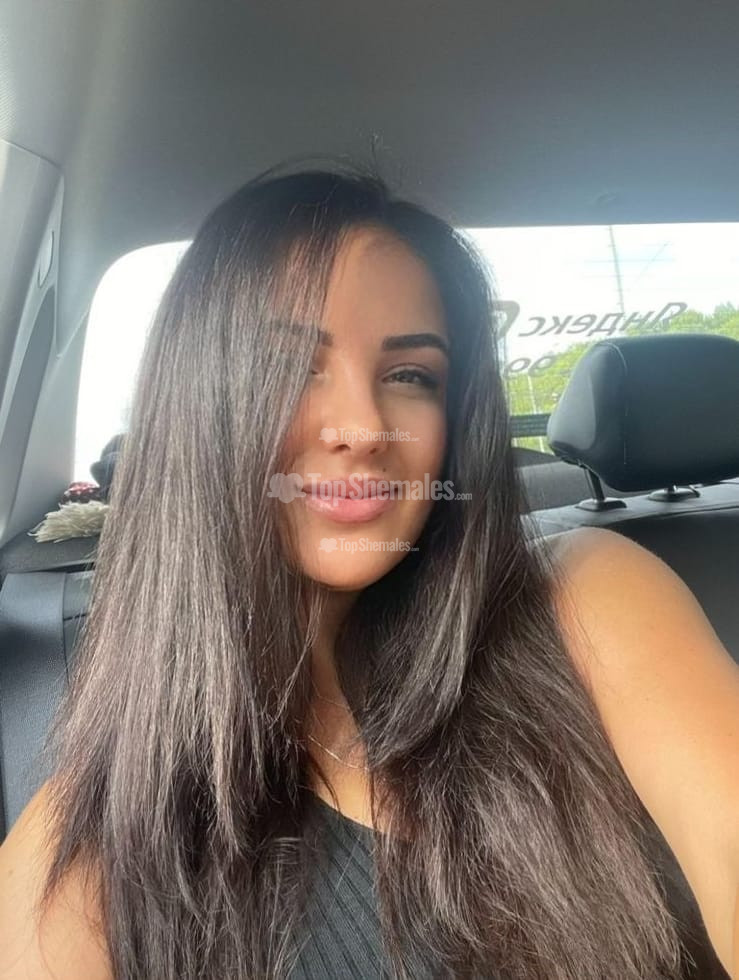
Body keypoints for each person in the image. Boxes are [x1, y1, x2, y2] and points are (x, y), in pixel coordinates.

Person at [1, 162, 737, 980]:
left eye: (410, 375)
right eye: (289, 366)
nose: (363, 426)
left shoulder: (585, 598)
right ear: (196, 405)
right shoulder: (88, 846)